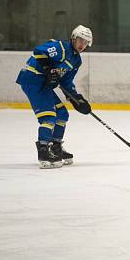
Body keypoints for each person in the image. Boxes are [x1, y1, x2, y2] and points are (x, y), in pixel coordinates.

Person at [16, 25, 93, 169]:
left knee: (62, 114)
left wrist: (77, 99)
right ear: (73, 38)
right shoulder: (61, 47)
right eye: (80, 40)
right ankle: (43, 151)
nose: (82, 44)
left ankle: (56, 147)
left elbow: (66, 82)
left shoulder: (76, 61)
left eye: (86, 42)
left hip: (43, 84)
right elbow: (39, 51)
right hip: (32, 79)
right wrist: (48, 69)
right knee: (49, 116)